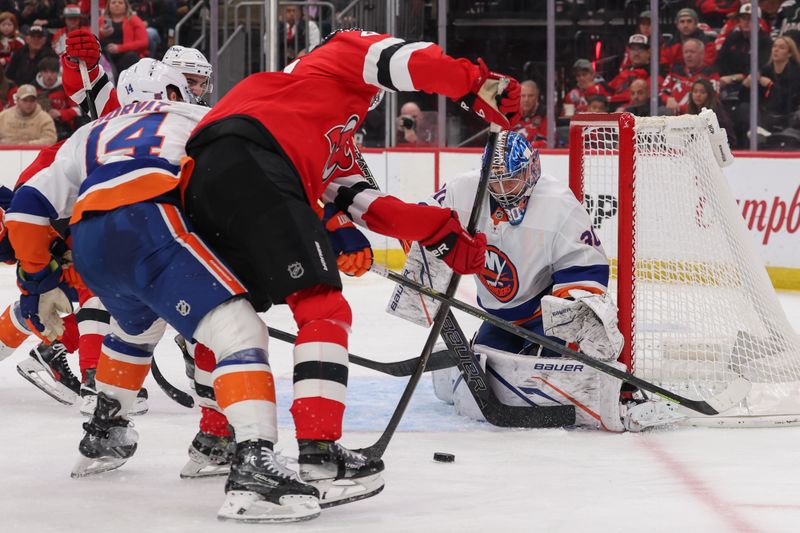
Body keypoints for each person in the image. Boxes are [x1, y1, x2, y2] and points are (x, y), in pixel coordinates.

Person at [181, 29, 512, 518]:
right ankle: (319, 455)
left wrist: (443, 235)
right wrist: (473, 83)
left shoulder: (325, 127)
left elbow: (366, 201)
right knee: (323, 307)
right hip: (254, 159)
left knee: (231, 316)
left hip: (203, 180)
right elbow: (406, 59)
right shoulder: (332, 58)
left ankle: (217, 437)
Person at [5, 59, 327, 523]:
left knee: (135, 329)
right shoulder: (196, 117)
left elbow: (26, 207)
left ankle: (106, 430)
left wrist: (39, 280)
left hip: (92, 242)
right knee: (239, 331)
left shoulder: (90, 132)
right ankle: (255, 466)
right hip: (150, 224)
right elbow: (255, 168)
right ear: (173, 92)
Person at [392, 131, 679, 432]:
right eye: (494, 181)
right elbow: (421, 220)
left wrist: (576, 316)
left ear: (532, 170)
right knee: (490, 366)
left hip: (544, 318)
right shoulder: (462, 190)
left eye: (511, 180)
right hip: (497, 314)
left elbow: (584, 265)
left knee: (553, 376)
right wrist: (419, 243)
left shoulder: (559, 205)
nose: (502, 191)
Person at [660, 38, 720, 114]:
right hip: (672, 116)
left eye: (692, 52)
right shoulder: (675, 71)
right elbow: (662, 92)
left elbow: (713, 100)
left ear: (702, 54)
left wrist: (680, 108)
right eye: (686, 52)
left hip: (697, 117)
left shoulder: (711, 74)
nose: (688, 55)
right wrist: (668, 99)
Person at [30, 56, 83, 139]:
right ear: (40, 73)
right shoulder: (32, 88)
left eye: (52, 72)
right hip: (37, 127)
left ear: (58, 73)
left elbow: (78, 110)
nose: (49, 76)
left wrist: (60, 113)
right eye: (46, 72)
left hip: (63, 129)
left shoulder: (66, 86)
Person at [608, 34, 661, 108]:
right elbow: (608, 89)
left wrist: (625, 107)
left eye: (640, 49)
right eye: (633, 49)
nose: (636, 53)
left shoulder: (654, 73)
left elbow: (644, 99)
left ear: (648, 52)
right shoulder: (625, 72)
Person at [99, 0, 148, 75]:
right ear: (108, 5)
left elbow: (143, 42)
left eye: (120, 3)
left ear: (126, 6)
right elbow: (92, 38)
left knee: (130, 57)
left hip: (125, 54)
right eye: (113, 2)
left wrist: (119, 48)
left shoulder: (134, 19)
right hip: (105, 54)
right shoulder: (101, 20)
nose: (117, 5)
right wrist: (101, 33)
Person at [687, 78, 738, 147]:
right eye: (695, 91)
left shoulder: (716, 113)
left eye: (702, 92)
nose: (698, 95)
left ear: (709, 94)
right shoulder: (691, 111)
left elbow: (728, 138)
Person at [279, 3, 320, 68]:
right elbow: (266, 46)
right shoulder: (276, 27)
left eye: (294, 11)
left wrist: (305, 51)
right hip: (280, 64)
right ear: (283, 13)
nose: (292, 14)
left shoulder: (309, 25)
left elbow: (316, 44)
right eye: (288, 11)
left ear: (300, 13)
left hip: (303, 63)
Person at [512, 79, 547, 148]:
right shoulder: (510, 114)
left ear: (537, 97)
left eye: (530, 96)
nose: (526, 100)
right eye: (523, 96)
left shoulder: (545, 115)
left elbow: (546, 142)